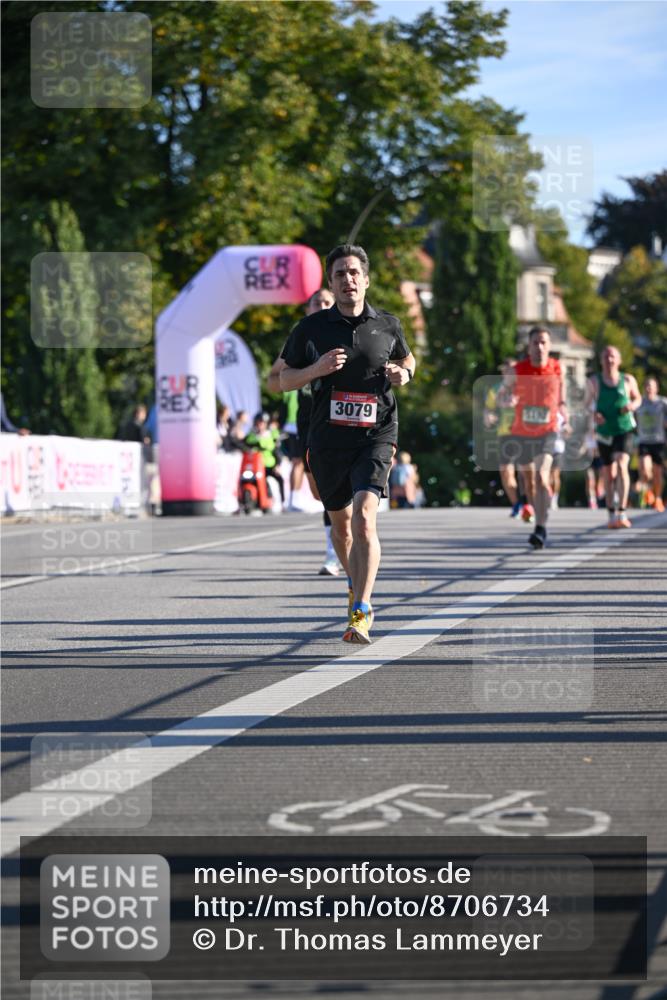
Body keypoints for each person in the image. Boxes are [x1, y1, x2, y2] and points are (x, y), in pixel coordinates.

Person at [280, 243, 415, 643]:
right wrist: (316, 369)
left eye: (354, 272)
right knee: (342, 529)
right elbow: (283, 380)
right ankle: (354, 586)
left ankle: (362, 607)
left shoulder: (388, 325)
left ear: (366, 280)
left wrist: (405, 375)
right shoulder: (311, 329)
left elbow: (409, 360)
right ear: (331, 282)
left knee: (365, 518)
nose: (348, 279)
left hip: (376, 434)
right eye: (340, 273)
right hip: (327, 440)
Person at [267, 288, 341, 573]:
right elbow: (274, 381)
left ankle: (334, 552)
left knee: (336, 488)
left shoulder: (349, 332)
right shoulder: (301, 338)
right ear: (308, 309)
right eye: (317, 302)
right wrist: (306, 373)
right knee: (321, 492)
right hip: (309, 420)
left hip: (341, 419)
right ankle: (339, 535)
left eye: (327, 302)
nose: (322, 305)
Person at [505, 326, 568, 549]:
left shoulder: (557, 368)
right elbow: (503, 394)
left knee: (542, 477)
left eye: (543, 342)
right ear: (529, 347)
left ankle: (540, 528)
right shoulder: (517, 370)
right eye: (535, 343)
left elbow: (561, 400)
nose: (540, 347)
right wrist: (507, 401)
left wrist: (565, 417)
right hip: (522, 432)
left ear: (549, 346)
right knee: (529, 481)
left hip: (548, 431)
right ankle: (534, 510)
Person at [585, 346, 641, 529]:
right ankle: (611, 515)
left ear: (619, 360)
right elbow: (586, 405)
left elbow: (637, 398)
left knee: (622, 463)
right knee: (608, 474)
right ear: (601, 361)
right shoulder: (594, 381)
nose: (609, 360)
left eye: (613, 357)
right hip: (604, 432)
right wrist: (595, 416)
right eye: (606, 356)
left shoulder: (627, 379)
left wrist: (632, 406)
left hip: (624, 428)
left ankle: (622, 512)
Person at [635, 376, 667, 512]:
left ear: (656, 388)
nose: (648, 388)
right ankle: (648, 490)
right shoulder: (639, 403)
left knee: (658, 473)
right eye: (646, 385)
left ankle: (658, 497)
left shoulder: (663, 403)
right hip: (644, 441)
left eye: (651, 386)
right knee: (645, 470)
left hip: (659, 441)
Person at [244, 412, 285, 505]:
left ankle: (282, 502)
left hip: (269, 466)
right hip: (255, 467)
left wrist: (278, 465)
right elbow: (245, 444)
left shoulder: (271, 435)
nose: (260, 425)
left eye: (262, 423)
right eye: (259, 422)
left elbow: (277, 451)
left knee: (280, 479)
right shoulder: (252, 435)